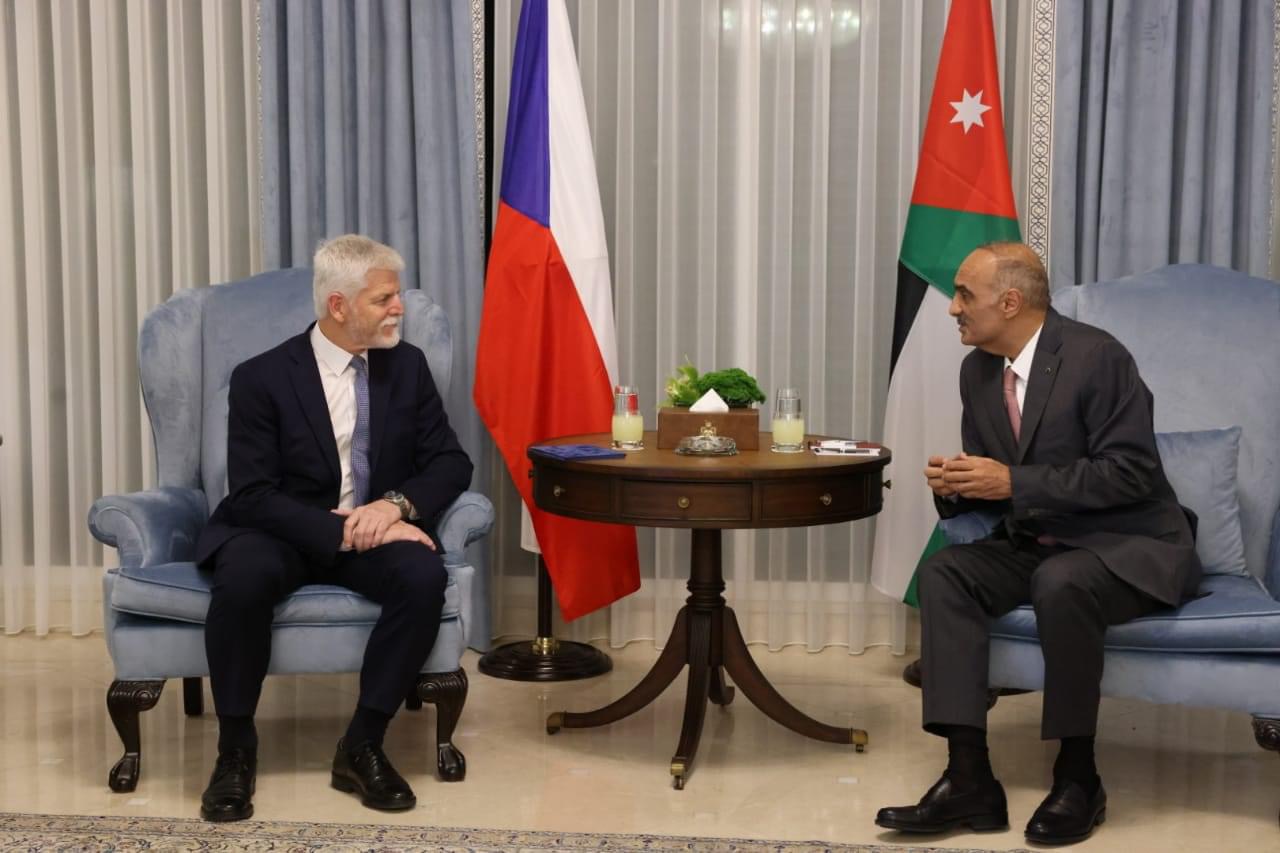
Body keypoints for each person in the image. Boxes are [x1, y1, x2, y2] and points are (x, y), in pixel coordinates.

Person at [875, 242, 1200, 845]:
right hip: (1039, 539)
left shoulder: (1097, 357)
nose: (952, 308)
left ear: (1010, 302)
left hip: (1126, 544)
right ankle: (968, 777)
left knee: (1062, 579)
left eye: (964, 294)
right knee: (945, 572)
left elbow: (1131, 473)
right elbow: (1000, 483)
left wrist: (1012, 482)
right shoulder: (978, 371)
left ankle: (1079, 777)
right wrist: (960, 487)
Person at [193, 234, 473, 822]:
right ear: (339, 306)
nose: (399, 307)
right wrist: (347, 531)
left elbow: (450, 462)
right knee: (242, 577)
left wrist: (392, 508)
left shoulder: (407, 366)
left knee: (423, 576)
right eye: (384, 298)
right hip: (280, 531)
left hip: (376, 531)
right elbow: (252, 494)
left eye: (396, 295)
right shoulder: (261, 377)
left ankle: (363, 743)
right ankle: (235, 749)